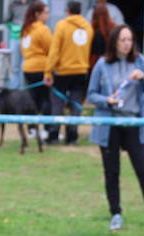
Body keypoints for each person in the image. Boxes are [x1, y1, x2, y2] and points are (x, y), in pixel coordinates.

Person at [87, 24, 144, 234]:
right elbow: (91, 95)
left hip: (134, 124)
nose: (127, 44)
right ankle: (115, 214)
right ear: (114, 42)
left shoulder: (140, 61)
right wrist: (107, 100)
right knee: (112, 172)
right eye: (123, 40)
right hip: (111, 125)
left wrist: (143, 77)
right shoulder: (102, 64)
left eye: (130, 39)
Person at [45, 0, 93, 144]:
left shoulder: (62, 26)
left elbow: (54, 51)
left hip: (63, 72)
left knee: (57, 104)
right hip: (81, 71)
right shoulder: (88, 27)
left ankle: (53, 135)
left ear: (67, 11)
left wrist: (48, 71)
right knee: (76, 104)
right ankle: (72, 137)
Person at [20, 2, 53, 133]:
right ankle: (46, 128)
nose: (48, 15)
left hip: (28, 67)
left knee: (32, 99)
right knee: (46, 99)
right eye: (46, 12)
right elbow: (51, 49)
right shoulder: (42, 29)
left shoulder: (26, 29)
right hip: (41, 68)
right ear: (37, 14)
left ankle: (32, 129)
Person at [88, 2, 116, 71]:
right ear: (107, 13)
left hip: (93, 63)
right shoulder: (113, 27)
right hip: (109, 61)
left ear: (94, 15)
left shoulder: (91, 29)